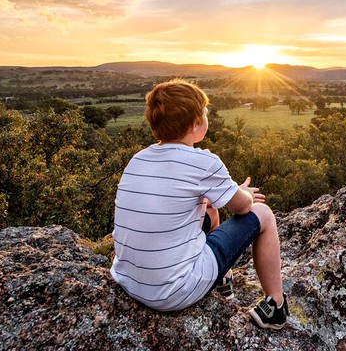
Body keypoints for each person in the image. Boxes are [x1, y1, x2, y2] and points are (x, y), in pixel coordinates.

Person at [110, 79, 288, 329]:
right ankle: (277, 307)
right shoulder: (203, 162)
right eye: (204, 113)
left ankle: (222, 280)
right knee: (265, 215)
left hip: (129, 281)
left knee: (210, 209)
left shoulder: (137, 160)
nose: (207, 117)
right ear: (196, 124)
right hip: (173, 292)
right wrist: (242, 192)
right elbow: (242, 207)